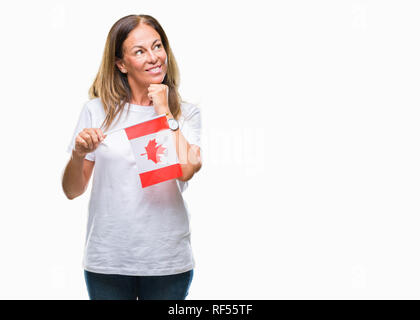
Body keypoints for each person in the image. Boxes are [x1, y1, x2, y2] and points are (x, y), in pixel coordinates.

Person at [61, 14, 202, 300]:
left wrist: (163, 112)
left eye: (157, 46)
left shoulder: (185, 113)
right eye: (140, 51)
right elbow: (72, 191)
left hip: (167, 261)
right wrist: (78, 155)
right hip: (108, 260)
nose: (154, 57)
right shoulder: (96, 111)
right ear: (121, 64)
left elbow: (187, 169)